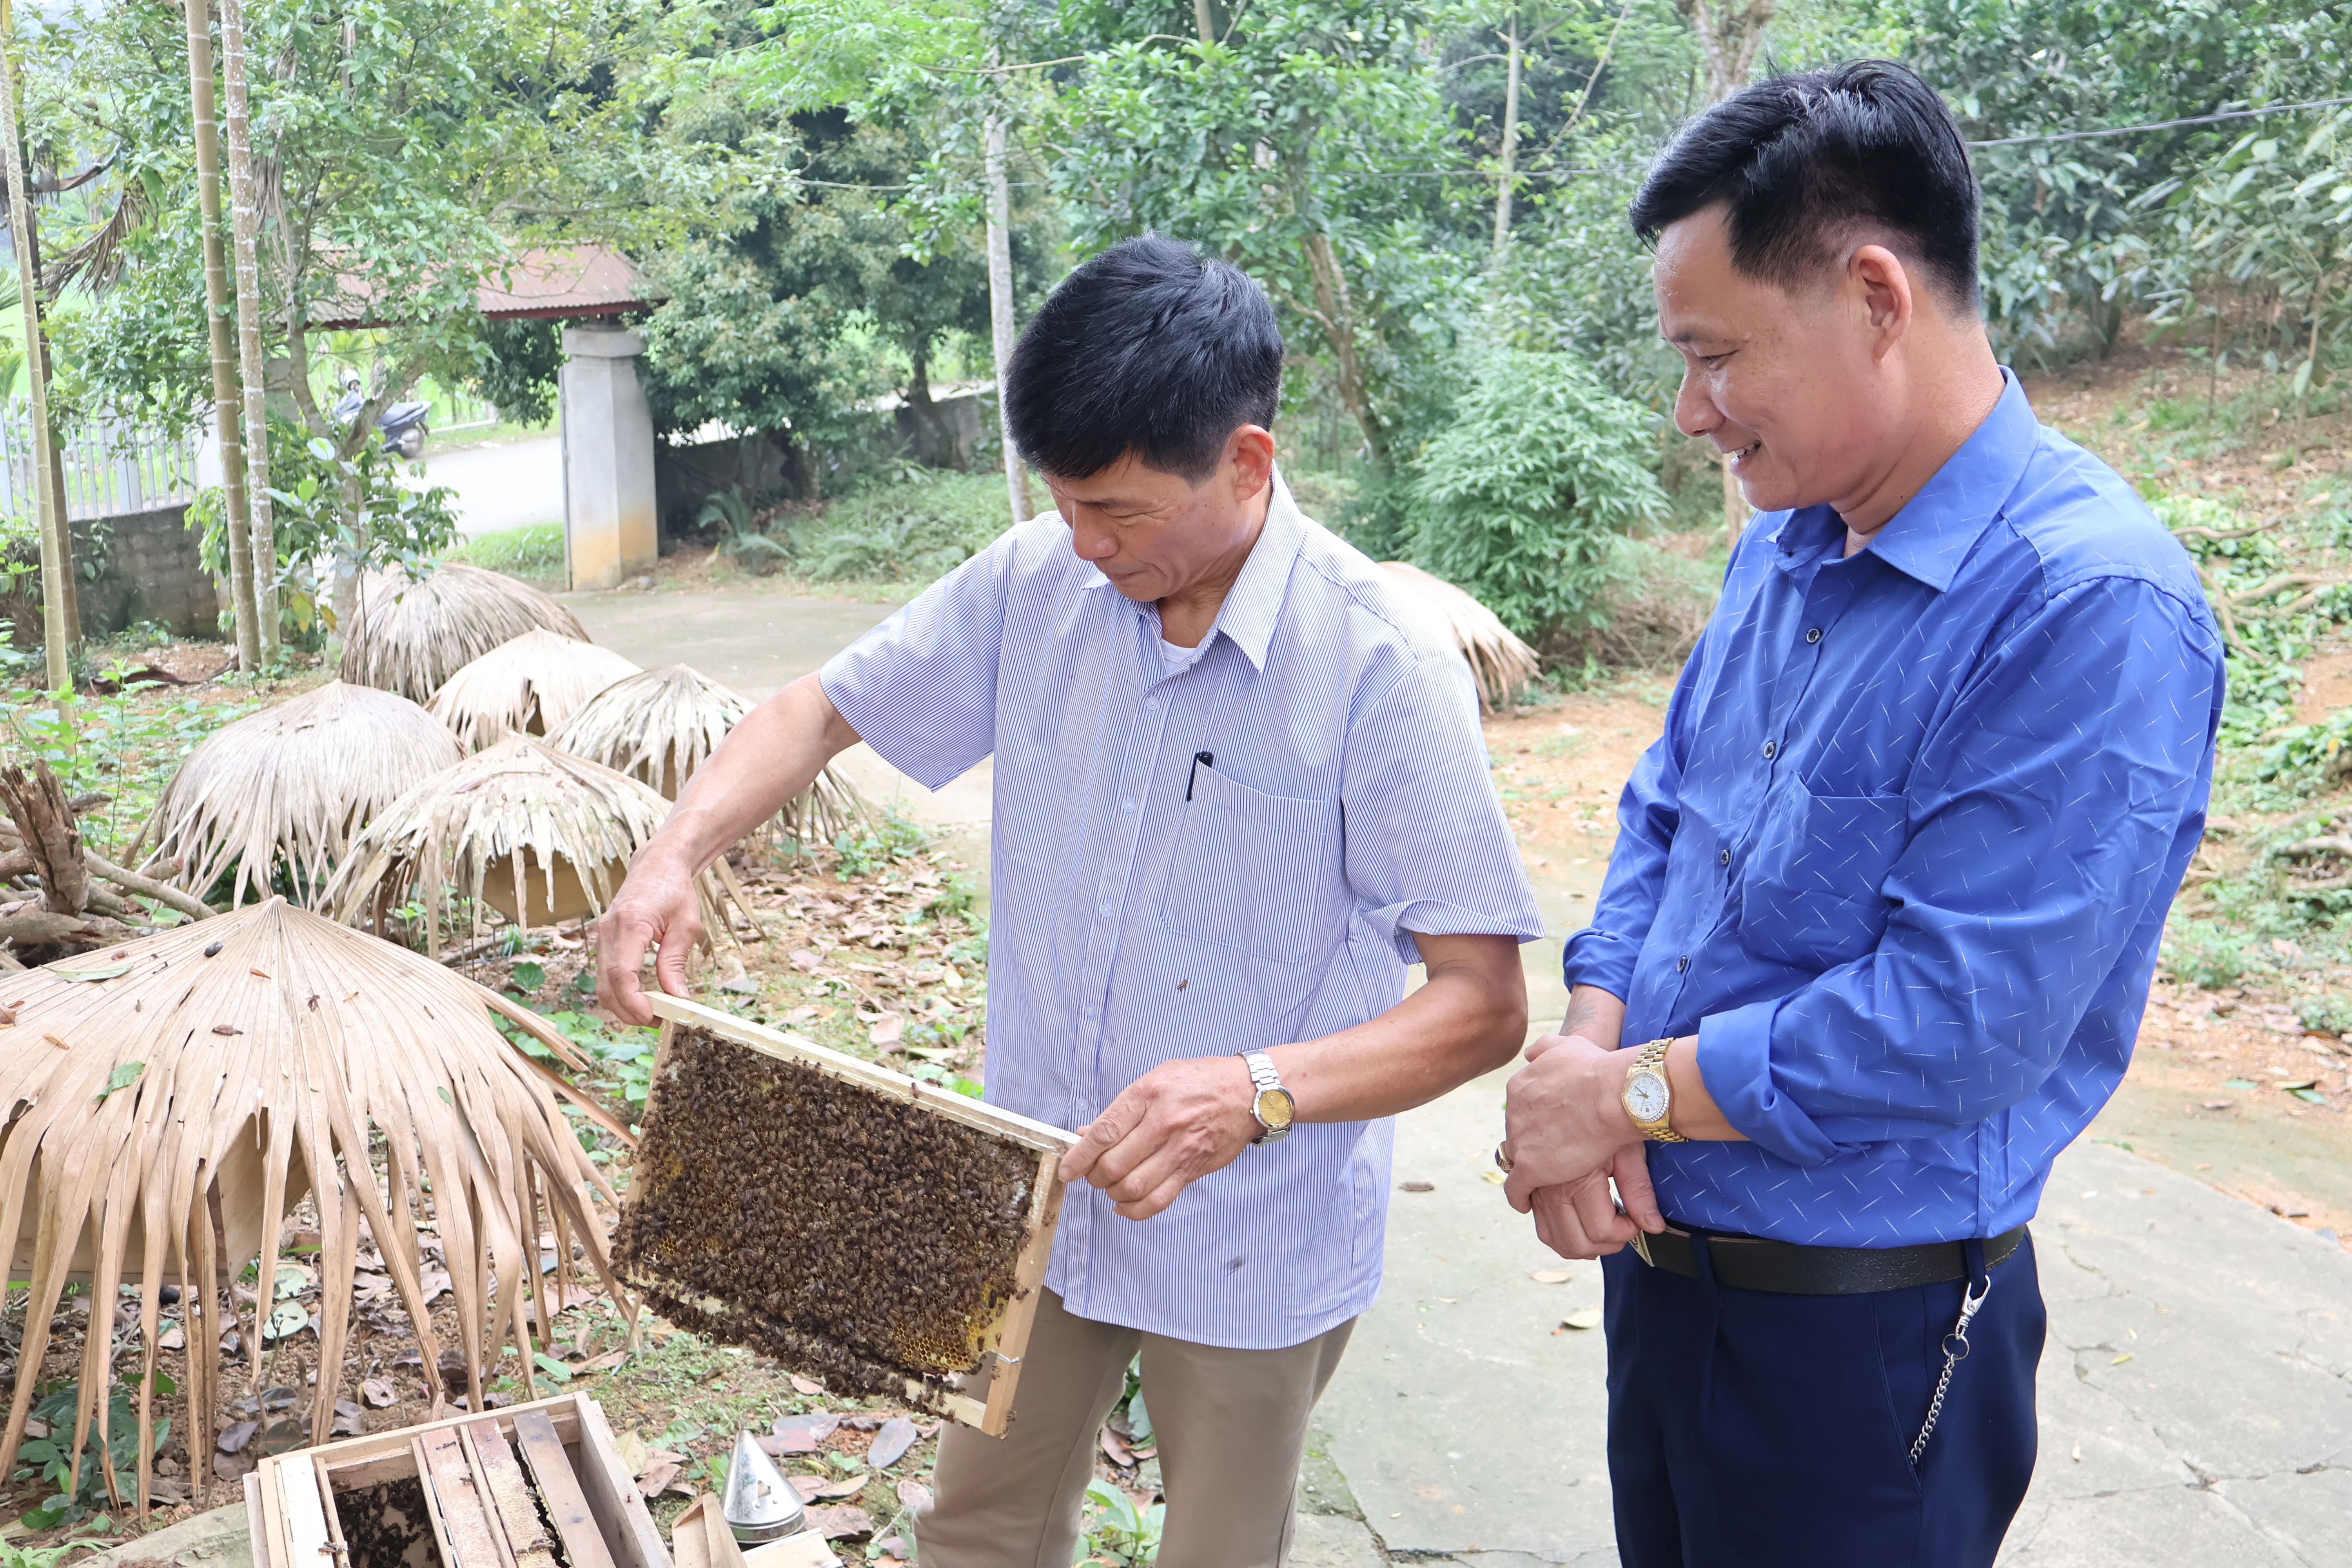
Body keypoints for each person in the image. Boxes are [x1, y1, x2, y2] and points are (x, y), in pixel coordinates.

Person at [596, 234, 1546, 1568]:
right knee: (978, 1527)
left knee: (1219, 1549)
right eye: (1068, 505)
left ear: (1249, 463)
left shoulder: (1380, 671)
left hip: (1253, 1229)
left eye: (1123, 513)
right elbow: (818, 711)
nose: (1090, 546)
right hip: (1033, 1188)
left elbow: (1483, 1006)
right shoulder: (1036, 581)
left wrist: (1256, 1087)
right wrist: (671, 856)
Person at [1492, 62, 2227, 1568]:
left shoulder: (2089, 604)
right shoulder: (1792, 537)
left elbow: (1965, 1017)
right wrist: (1587, 1041)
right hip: (1669, 1278)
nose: (1690, 410)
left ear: (1877, 297)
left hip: (1861, 1339)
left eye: (1714, 356)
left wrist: (1629, 1097)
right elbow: (1666, 813)